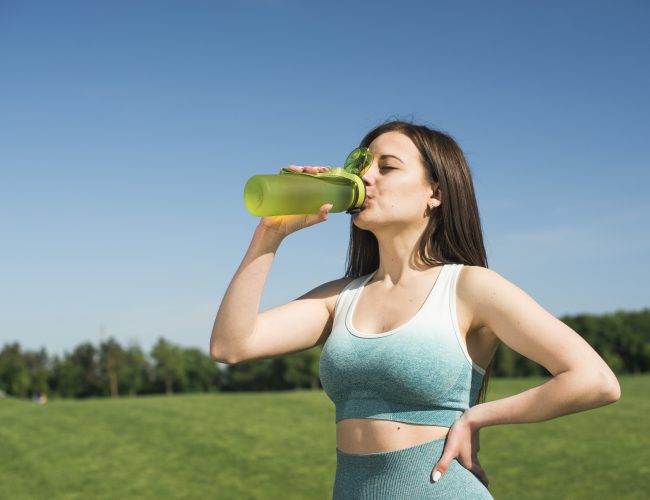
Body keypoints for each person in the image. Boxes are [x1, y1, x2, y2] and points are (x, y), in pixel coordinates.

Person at [210, 120, 621, 499]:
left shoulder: (469, 287)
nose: (364, 178)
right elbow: (231, 345)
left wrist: (477, 417)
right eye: (362, 166)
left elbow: (595, 380)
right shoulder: (341, 298)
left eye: (387, 168)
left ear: (435, 193)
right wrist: (270, 235)